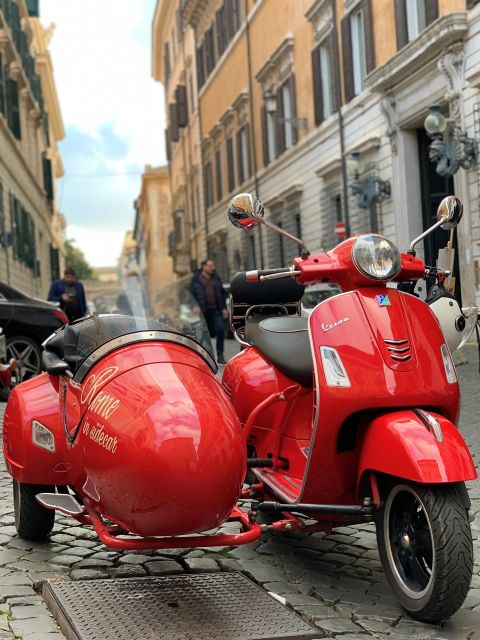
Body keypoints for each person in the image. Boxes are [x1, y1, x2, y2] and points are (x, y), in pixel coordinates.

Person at [190, 259, 228, 364]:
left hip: (216, 310)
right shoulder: (196, 279)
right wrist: (194, 306)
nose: (212, 268)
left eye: (213, 266)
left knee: (220, 330)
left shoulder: (216, 278)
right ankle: (206, 355)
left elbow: (222, 293)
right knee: (203, 334)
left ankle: (220, 354)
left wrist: (224, 308)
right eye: (210, 266)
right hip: (202, 311)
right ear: (203, 266)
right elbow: (191, 294)